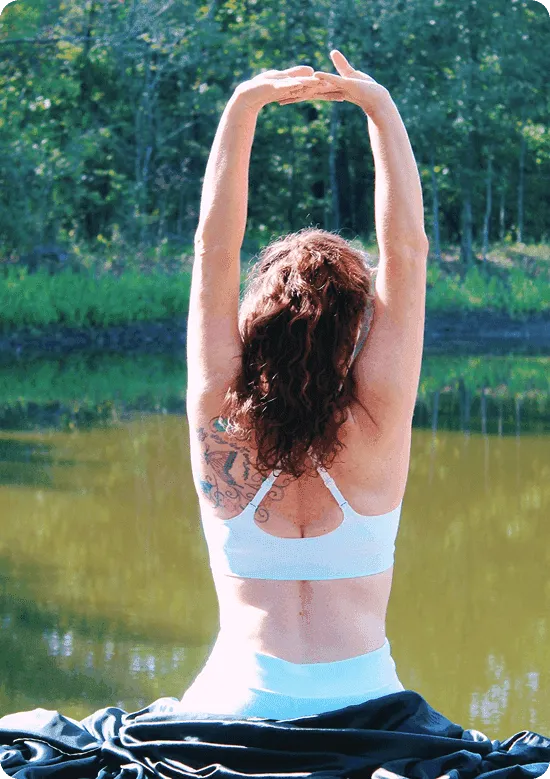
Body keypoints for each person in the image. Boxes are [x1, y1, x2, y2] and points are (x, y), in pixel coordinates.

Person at [182, 49, 429, 720]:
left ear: (255, 322)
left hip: (234, 703)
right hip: (367, 705)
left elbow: (213, 249)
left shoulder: (219, 410)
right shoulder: (377, 420)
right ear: (357, 325)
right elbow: (406, 252)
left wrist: (243, 105)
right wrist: (377, 106)